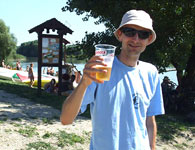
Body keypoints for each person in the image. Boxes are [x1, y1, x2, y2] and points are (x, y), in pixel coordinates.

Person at [60, 10, 165, 150]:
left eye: (143, 34)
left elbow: (149, 120)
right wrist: (84, 83)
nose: (135, 39)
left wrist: (152, 147)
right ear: (120, 35)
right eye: (130, 32)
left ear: (149, 39)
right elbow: (66, 119)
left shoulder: (151, 72)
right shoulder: (100, 70)